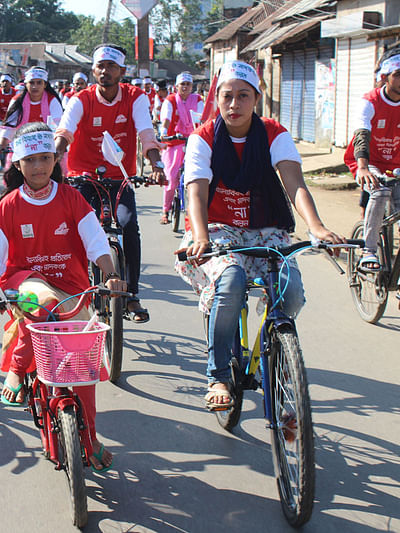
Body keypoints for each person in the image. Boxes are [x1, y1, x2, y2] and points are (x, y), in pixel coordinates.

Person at [175, 60, 343, 410]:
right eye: (227, 97)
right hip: (219, 229)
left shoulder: (273, 133)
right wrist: (201, 236)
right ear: (216, 99)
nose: (234, 105)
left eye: (243, 96)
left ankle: (276, 358)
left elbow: (295, 184)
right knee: (230, 281)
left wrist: (317, 227)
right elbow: (196, 191)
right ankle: (217, 374)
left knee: (290, 291)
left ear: (257, 98)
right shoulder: (202, 137)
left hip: (268, 228)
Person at [0, 122, 124, 472]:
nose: (39, 166)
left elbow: (96, 243)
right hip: (22, 285)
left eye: (46, 158)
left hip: (73, 292)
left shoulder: (72, 198)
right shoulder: (8, 206)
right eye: (31, 160)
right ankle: (17, 367)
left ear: (56, 159)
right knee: (41, 302)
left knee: (83, 368)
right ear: (18, 164)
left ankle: (89, 438)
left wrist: (112, 274)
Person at [55, 43, 166, 323]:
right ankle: (75, 289)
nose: (105, 71)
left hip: (120, 177)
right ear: (93, 70)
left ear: (122, 71)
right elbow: (65, 131)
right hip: (83, 178)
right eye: (100, 66)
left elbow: (145, 133)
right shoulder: (81, 99)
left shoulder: (135, 97)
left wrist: (156, 164)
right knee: (79, 231)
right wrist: (54, 156)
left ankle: (133, 295)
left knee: (128, 226)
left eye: (111, 66)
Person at [344, 52, 400, 271]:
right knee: (379, 190)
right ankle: (369, 251)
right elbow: (362, 133)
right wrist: (363, 167)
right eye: (398, 74)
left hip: (395, 164)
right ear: (385, 76)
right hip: (367, 162)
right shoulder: (370, 101)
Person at [159, 71, 204, 225]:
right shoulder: (170, 100)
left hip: (193, 141)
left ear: (192, 86)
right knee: (171, 178)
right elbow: (166, 118)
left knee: (200, 176)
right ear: (176, 86)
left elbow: (201, 119)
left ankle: (199, 211)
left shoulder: (197, 99)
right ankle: (165, 210)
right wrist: (164, 133)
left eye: (188, 84)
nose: (185, 87)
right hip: (174, 142)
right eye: (182, 84)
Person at [0, 67, 63, 157]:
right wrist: (1, 145)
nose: (35, 86)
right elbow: (9, 126)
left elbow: (58, 125)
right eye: (31, 83)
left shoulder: (52, 101)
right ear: (26, 84)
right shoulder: (17, 101)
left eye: (39, 83)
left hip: (47, 148)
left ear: (45, 84)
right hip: (23, 148)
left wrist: (58, 145)